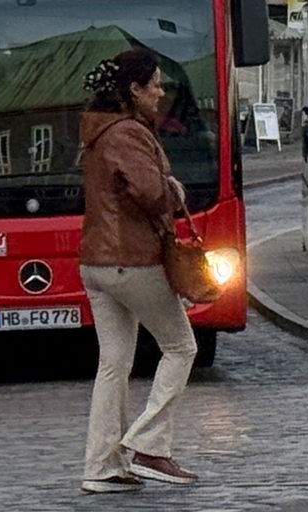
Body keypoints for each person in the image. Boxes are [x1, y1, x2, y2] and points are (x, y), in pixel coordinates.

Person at [77, 48, 199, 495]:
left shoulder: (96, 130)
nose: (161, 93)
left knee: (113, 364)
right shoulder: (127, 132)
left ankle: (101, 465)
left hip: (95, 262)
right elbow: (149, 192)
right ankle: (148, 444)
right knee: (181, 347)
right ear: (134, 89)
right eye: (156, 85)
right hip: (131, 259)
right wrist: (172, 187)